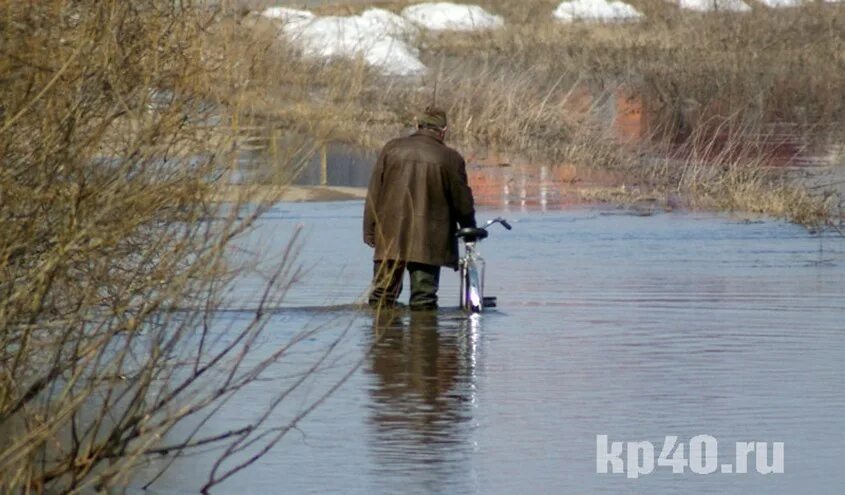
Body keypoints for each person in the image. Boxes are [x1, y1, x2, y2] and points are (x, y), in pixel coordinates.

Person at [363, 106, 476, 310]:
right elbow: (463, 202)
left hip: (389, 235)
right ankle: (424, 339)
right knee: (423, 299)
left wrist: (370, 230)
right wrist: (470, 230)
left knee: (381, 297)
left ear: (418, 125)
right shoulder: (450, 158)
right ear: (444, 131)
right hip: (429, 240)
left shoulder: (391, 148)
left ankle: (382, 340)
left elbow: (374, 192)